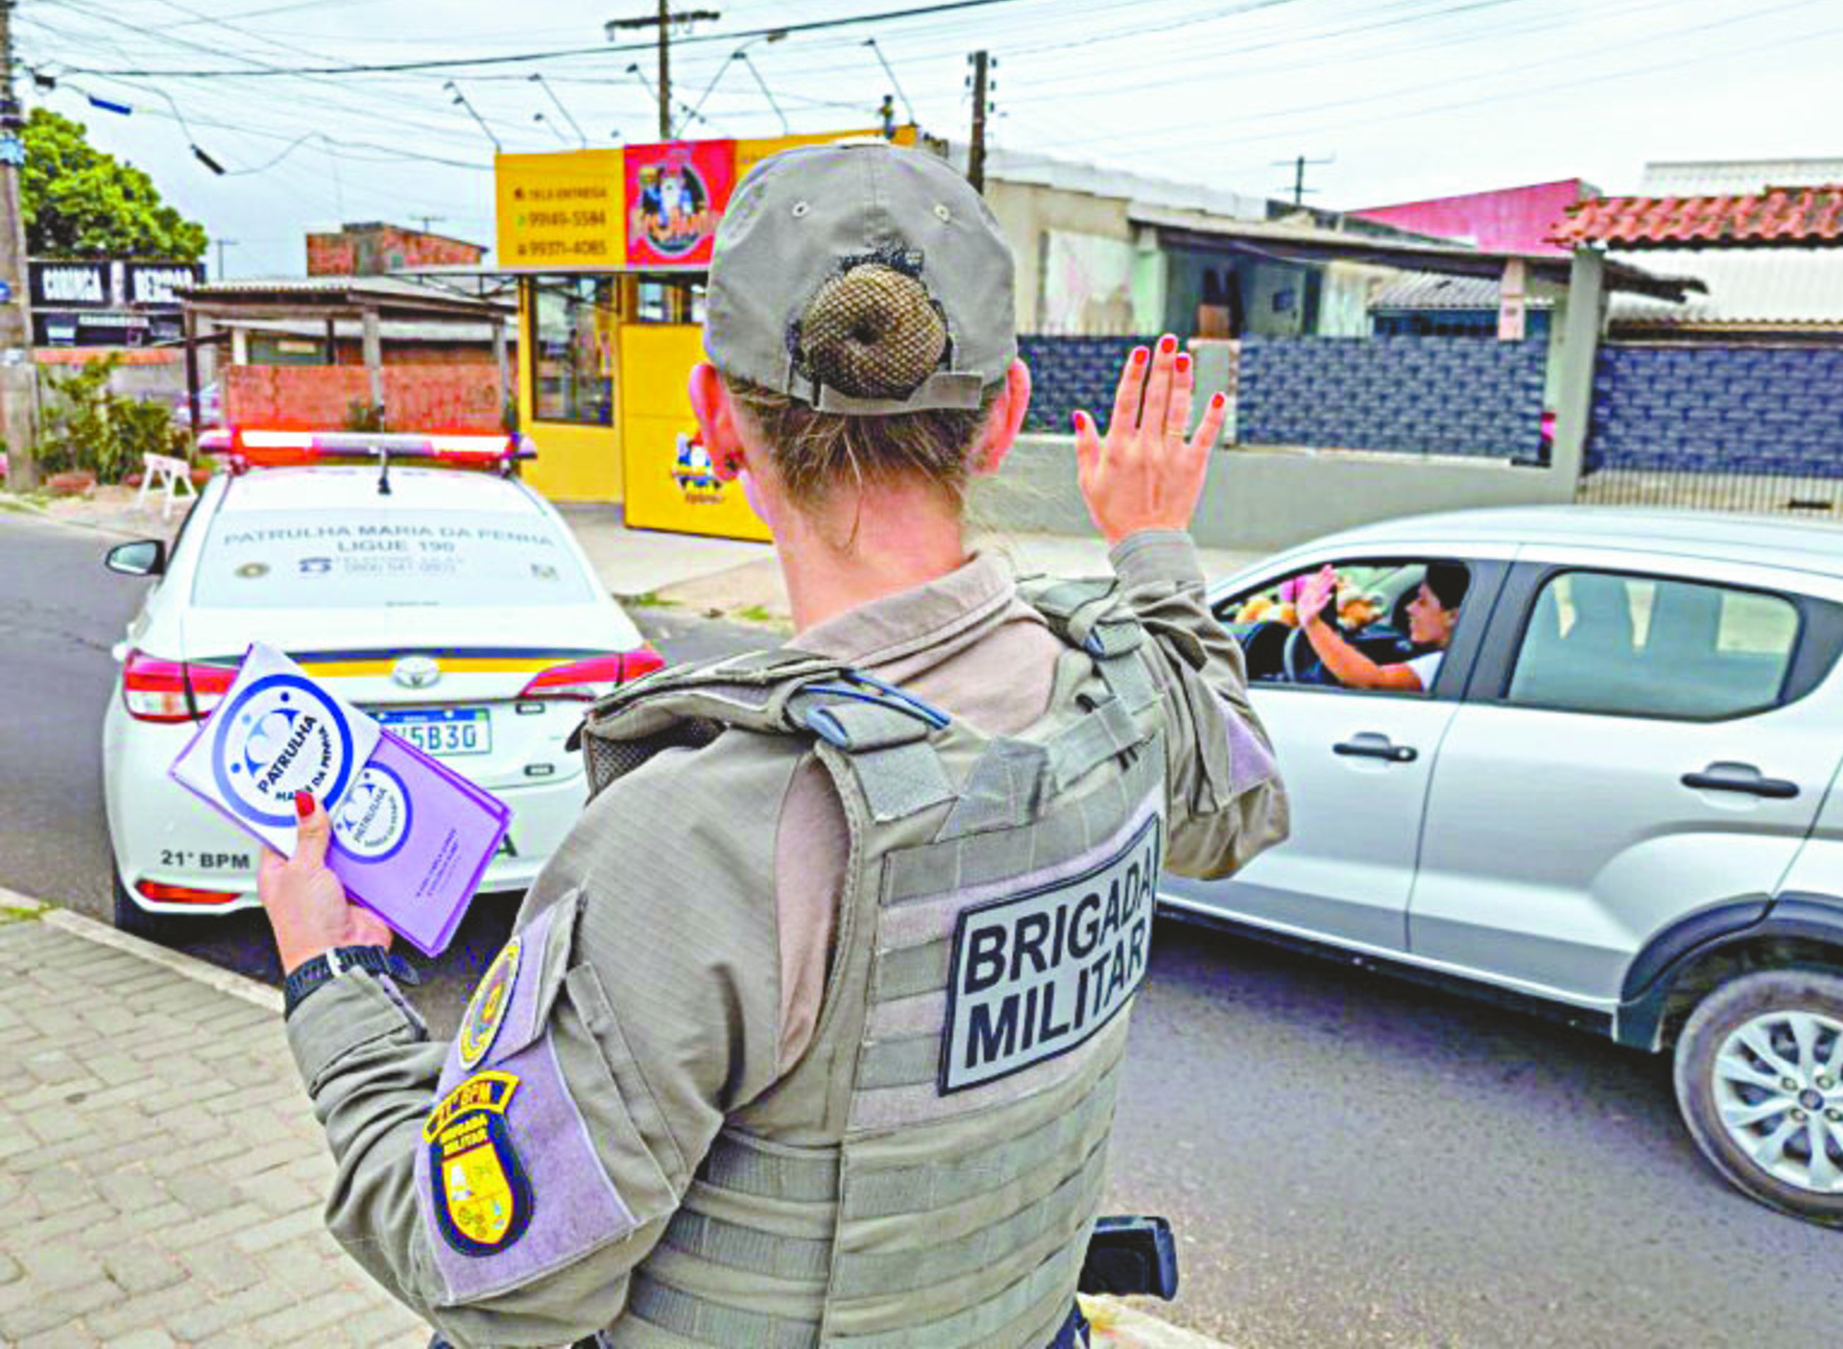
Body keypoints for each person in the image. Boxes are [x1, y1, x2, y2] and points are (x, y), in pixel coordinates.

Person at [257, 141, 1289, 1349]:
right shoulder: (1119, 695)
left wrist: (334, 990)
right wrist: (1155, 545)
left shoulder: (706, 832)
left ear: (717, 422)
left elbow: (494, 1276)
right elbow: (1243, 804)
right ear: (1005, 417)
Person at [1295, 561, 1469, 693]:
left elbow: (1374, 681)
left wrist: (1312, 624)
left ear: (1452, 617)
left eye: (1422, 602)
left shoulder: (1447, 665)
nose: (1409, 608)